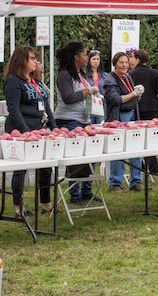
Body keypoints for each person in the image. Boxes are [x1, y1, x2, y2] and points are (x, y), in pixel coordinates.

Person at [4, 46, 57, 217]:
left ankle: (46, 203)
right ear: (22, 61)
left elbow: (46, 105)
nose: (36, 62)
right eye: (32, 58)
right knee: (21, 169)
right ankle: (18, 207)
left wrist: (54, 126)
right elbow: (13, 109)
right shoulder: (13, 81)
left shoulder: (35, 81)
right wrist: (25, 131)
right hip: (20, 129)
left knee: (46, 166)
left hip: (39, 128)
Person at [54, 42, 98, 204]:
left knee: (91, 154)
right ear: (76, 57)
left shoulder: (81, 75)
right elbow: (68, 98)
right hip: (68, 120)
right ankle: (75, 195)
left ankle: (87, 191)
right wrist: (88, 91)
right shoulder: (64, 75)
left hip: (84, 119)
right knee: (76, 159)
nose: (87, 58)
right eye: (85, 54)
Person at [104, 52, 145, 192]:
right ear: (115, 63)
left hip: (132, 116)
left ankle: (136, 180)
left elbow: (131, 97)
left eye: (126, 63)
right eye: (121, 62)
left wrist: (137, 95)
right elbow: (115, 99)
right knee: (117, 150)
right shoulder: (110, 79)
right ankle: (115, 182)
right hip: (118, 118)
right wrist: (133, 94)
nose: (124, 65)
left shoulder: (128, 77)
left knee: (135, 148)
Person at [129, 49, 158, 175]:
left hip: (138, 108)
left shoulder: (132, 73)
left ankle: (141, 166)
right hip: (153, 108)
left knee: (139, 138)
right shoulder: (155, 73)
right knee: (153, 138)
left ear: (137, 59)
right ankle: (154, 167)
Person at [85, 50, 108, 124]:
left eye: (98, 59)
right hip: (89, 104)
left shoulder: (105, 75)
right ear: (89, 60)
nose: (96, 61)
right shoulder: (84, 75)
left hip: (101, 105)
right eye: (94, 59)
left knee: (100, 125)